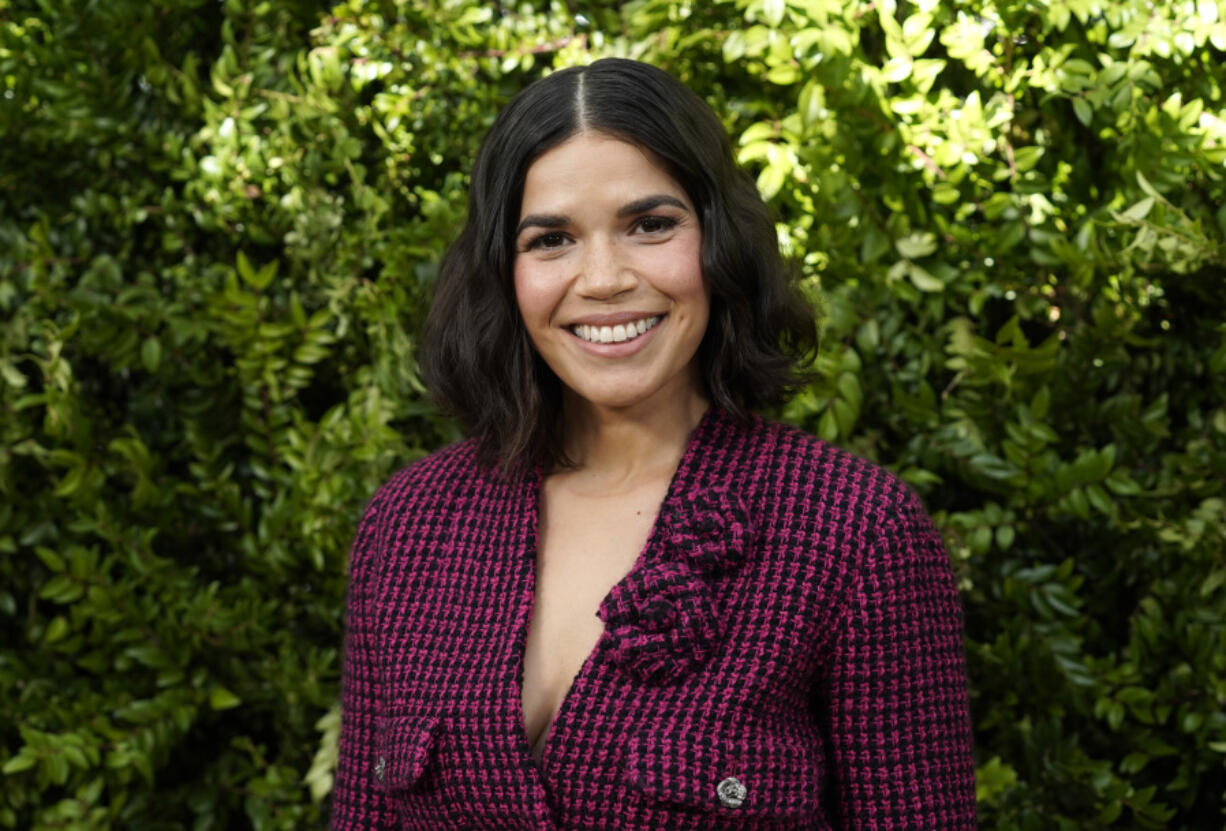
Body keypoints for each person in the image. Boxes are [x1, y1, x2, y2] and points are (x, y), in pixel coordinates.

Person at [331, 58, 977, 830]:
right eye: (551, 239)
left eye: (650, 224)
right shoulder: (407, 528)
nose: (603, 278)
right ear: (505, 272)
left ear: (719, 239)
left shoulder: (856, 533)